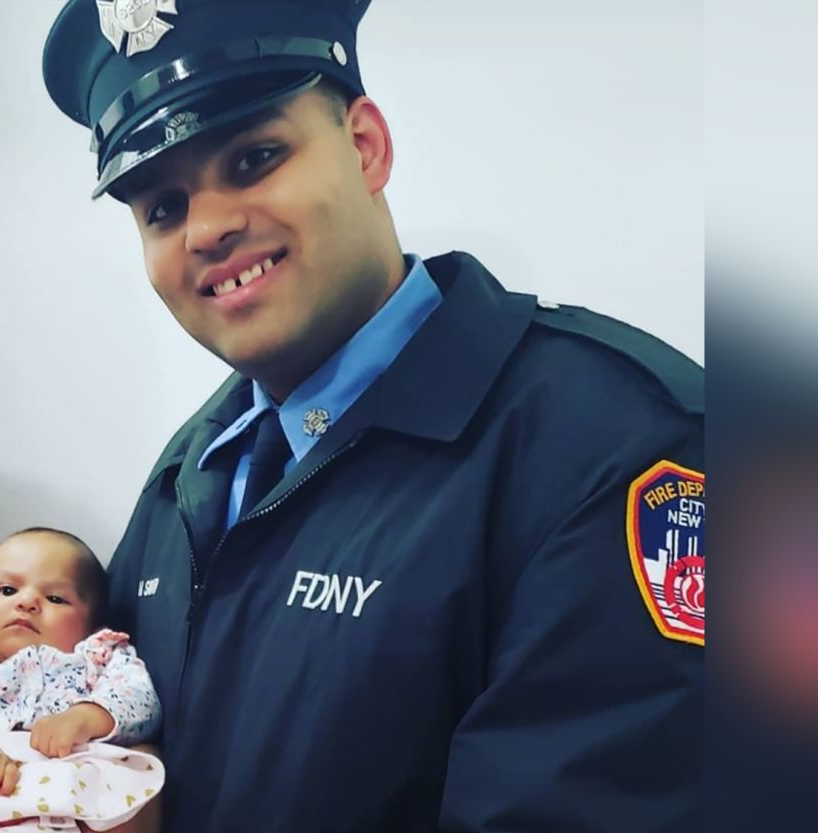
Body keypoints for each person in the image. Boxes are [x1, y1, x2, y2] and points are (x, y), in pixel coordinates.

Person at [41, 1, 705, 831]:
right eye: (162, 210)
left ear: (366, 146)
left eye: (254, 158)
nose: (207, 228)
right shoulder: (190, 475)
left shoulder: (615, 442)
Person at [0, 528, 163, 832]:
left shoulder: (100, 655)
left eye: (55, 598)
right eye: (7, 590)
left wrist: (85, 717)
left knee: (136, 775)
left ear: (91, 627)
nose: (27, 601)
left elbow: (140, 698)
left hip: (82, 791)